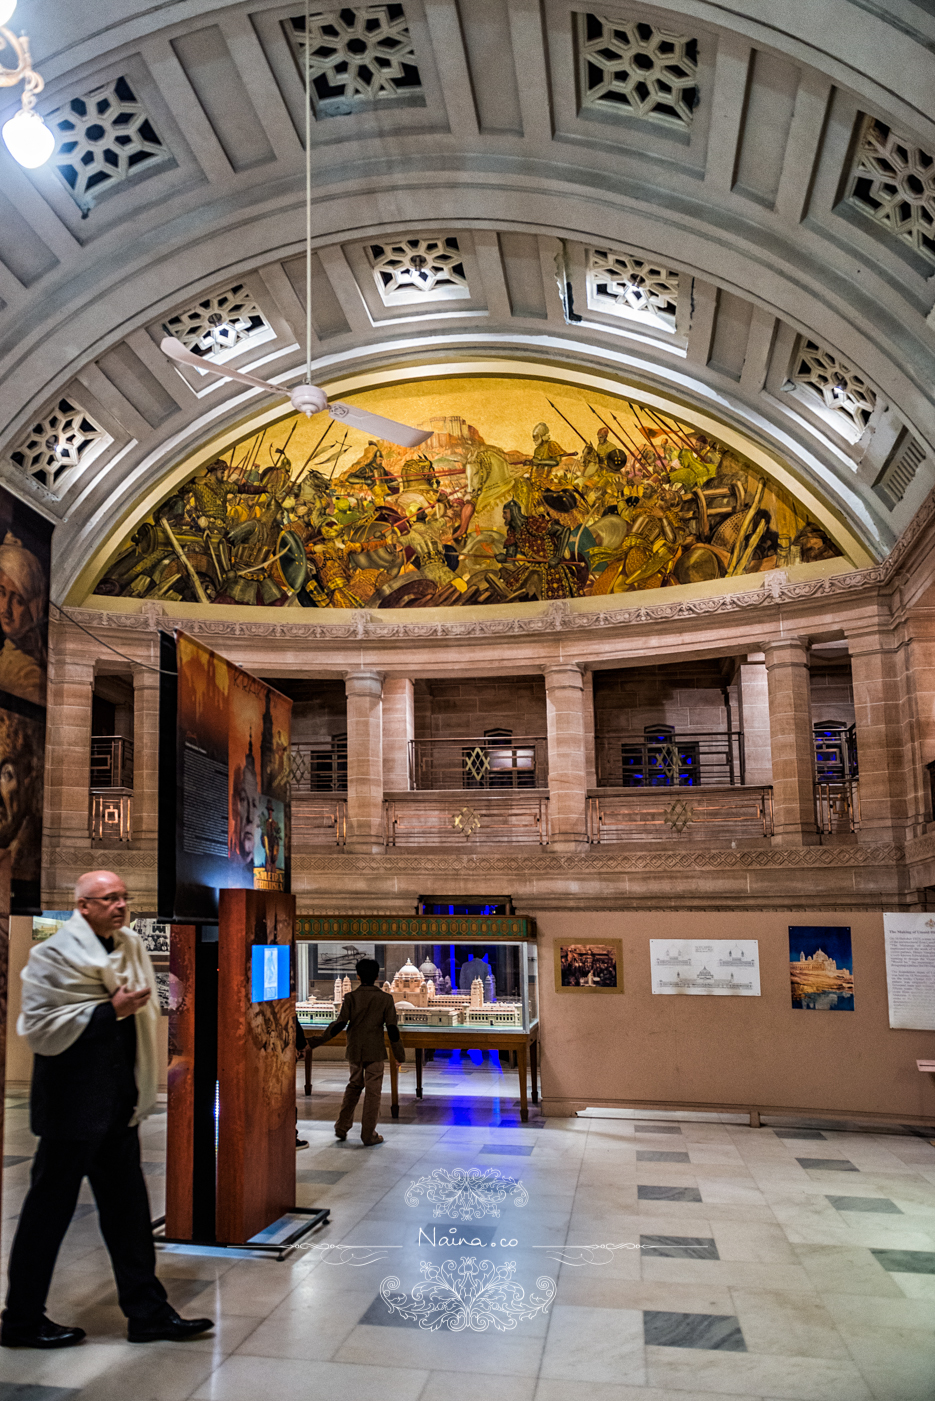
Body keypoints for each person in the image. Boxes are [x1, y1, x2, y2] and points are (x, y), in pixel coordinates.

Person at [1, 871, 214, 1349]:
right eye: (109, 899)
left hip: (117, 1104)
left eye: (123, 897)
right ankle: (19, 1321)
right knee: (46, 1216)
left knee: (129, 1215)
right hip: (70, 1108)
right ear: (83, 907)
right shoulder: (51, 955)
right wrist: (108, 1011)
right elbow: (38, 1028)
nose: (120, 905)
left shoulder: (130, 946)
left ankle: (148, 1314)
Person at [315, 957, 405, 1147]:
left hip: (355, 1049)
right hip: (375, 1051)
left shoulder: (350, 998)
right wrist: (399, 1055)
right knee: (373, 1093)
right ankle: (368, 1134)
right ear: (377, 977)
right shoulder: (385, 999)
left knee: (354, 1086)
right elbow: (392, 1029)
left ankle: (341, 1127)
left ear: (357, 976)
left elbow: (339, 1024)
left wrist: (317, 1041)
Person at [0, 532, 47, 707]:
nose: (6, 609)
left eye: (18, 600)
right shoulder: (10, 650)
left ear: (33, 608)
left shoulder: (27, 673)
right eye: (1, 593)